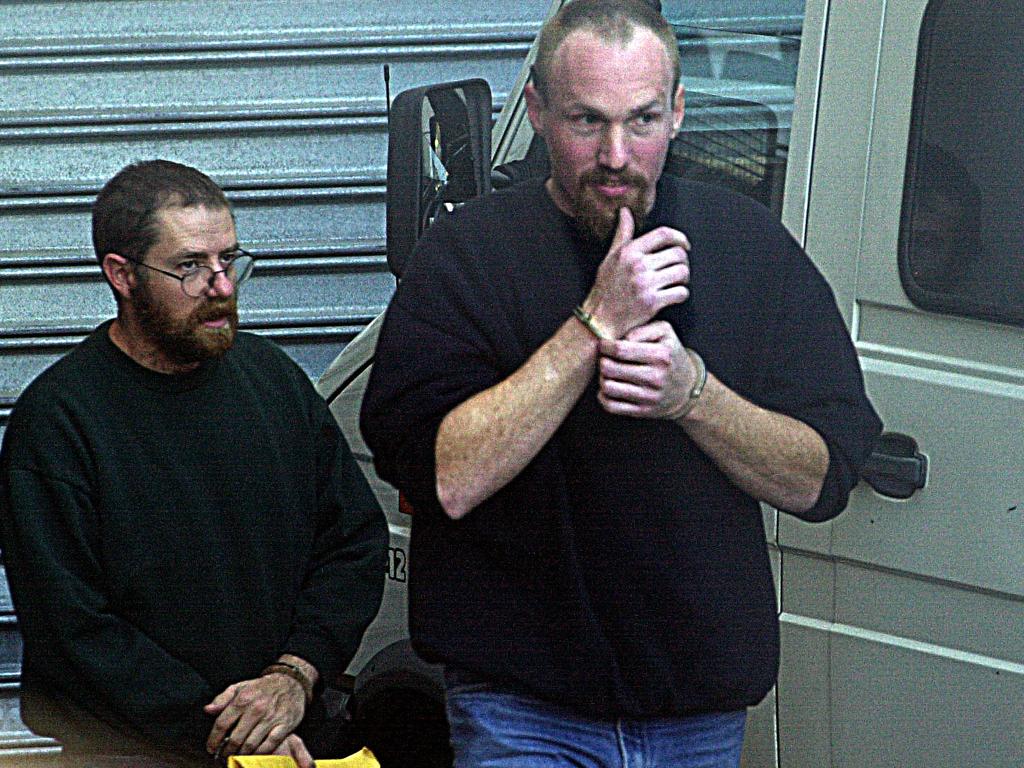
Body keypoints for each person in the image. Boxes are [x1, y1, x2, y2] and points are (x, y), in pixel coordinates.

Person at [360, 1, 882, 766]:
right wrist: (593, 327)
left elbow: (823, 477)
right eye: (585, 122)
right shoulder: (466, 256)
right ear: (536, 111)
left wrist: (694, 395)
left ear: (677, 111)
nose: (615, 154)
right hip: (521, 712)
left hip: (696, 716)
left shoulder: (751, 249)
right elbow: (448, 479)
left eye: (641, 120)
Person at [0, 160, 388, 768]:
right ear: (121, 275)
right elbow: (73, 630)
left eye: (229, 261)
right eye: (190, 267)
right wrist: (234, 727)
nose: (223, 287)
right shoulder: (58, 424)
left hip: (289, 739)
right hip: (128, 753)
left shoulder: (276, 384)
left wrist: (294, 674)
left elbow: (353, 544)